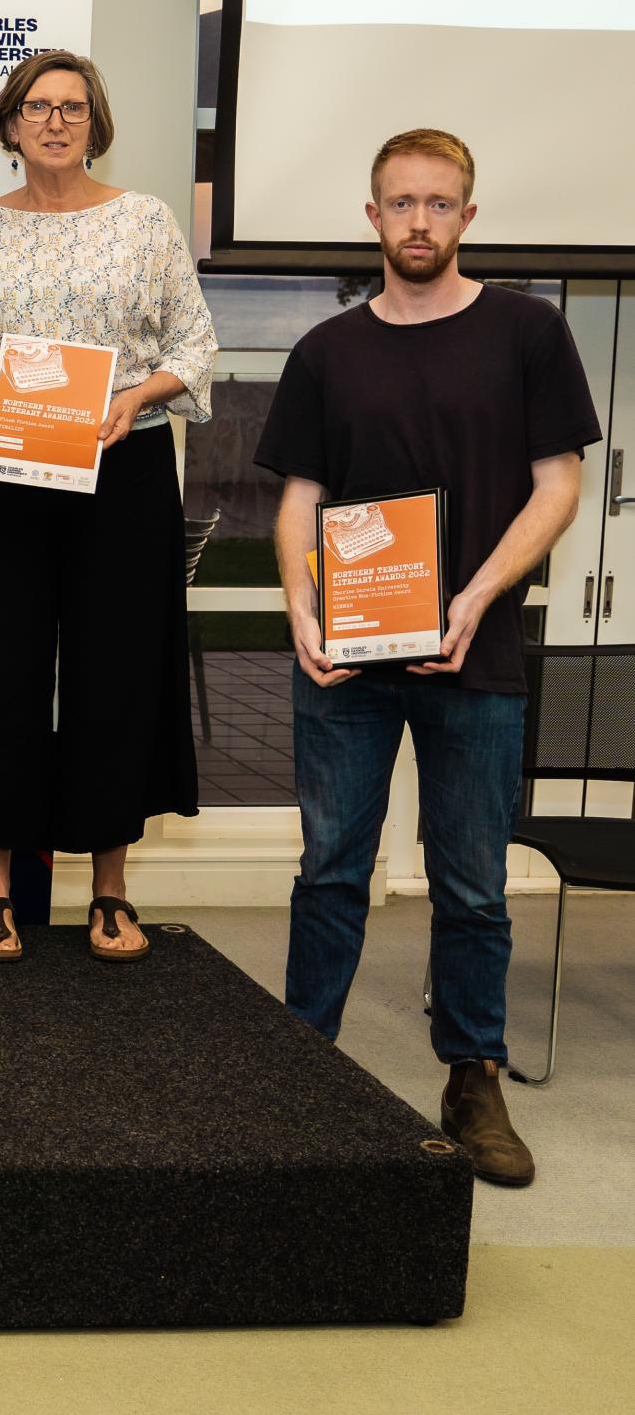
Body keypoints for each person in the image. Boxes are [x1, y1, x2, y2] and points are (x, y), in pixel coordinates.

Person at [258, 128, 595, 1189]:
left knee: (472, 884)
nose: (418, 222)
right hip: (350, 662)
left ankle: (474, 1075)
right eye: (399, 204)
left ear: (467, 216)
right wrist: (303, 610)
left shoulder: (528, 333)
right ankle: (300, 1059)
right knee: (331, 872)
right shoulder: (328, 352)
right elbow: (301, 502)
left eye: (438, 204)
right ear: (372, 218)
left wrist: (477, 594)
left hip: (476, 650)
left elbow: (557, 485)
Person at [0, 50, 217, 962]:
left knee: (117, 668)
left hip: (124, 465)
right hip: (4, 465)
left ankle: (109, 890)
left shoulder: (146, 220)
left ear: (95, 122)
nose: (56, 121)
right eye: (38, 107)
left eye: (74, 107)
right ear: (9, 125)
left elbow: (193, 346)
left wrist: (134, 399)